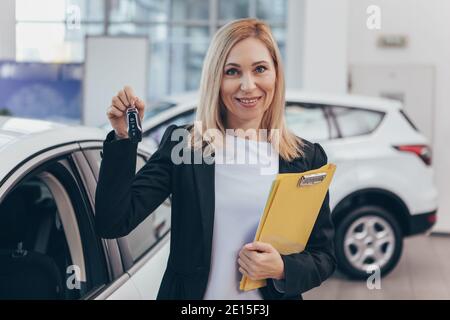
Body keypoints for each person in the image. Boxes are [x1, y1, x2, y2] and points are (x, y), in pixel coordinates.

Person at [95, 18, 336, 300]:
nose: (248, 85)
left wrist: (283, 267)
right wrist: (124, 139)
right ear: (215, 79)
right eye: (232, 71)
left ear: (276, 75)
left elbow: (324, 256)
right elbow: (113, 222)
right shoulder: (184, 146)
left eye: (260, 69)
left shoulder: (305, 158)